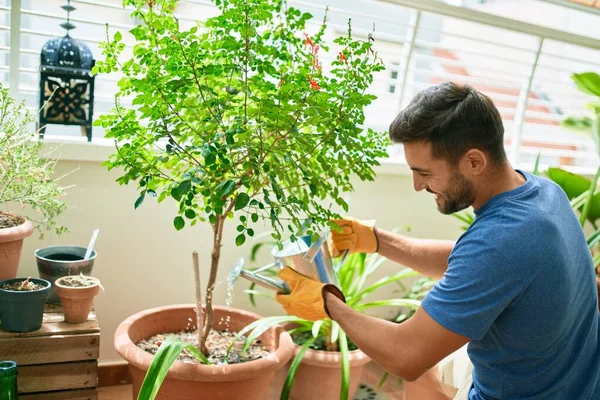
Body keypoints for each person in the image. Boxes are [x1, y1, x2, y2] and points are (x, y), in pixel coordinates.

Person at [275, 82, 600, 399]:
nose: (417, 185)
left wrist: (328, 302)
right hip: (577, 380)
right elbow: (470, 263)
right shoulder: (543, 193)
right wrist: (376, 240)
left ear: (474, 161)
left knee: (421, 364)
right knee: (435, 372)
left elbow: (406, 357)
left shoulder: (499, 243)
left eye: (425, 173)